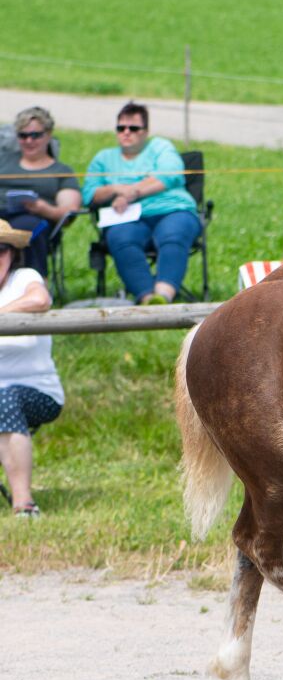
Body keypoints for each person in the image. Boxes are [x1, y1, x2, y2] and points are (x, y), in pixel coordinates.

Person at [81, 102, 201, 304]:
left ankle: (164, 295)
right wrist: (115, 189)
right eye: (121, 128)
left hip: (172, 209)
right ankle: (146, 299)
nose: (126, 132)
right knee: (121, 238)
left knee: (173, 234)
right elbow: (89, 194)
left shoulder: (160, 147)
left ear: (145, 132)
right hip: (126, 217)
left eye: (133, 128)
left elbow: (169, 176)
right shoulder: (103, 158)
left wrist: (132, 192)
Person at [0, 221, 64, 518]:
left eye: (1, 249)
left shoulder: (24, 277)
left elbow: (40, 299)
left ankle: (24, 503)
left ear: (13, 253)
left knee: (5, 398)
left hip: (37, 391)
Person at [0, 107, 82, 277]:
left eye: (35, 135)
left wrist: (45, 209)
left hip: (35, 221)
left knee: (28, 228)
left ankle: (34, 284)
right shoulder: (4, 161)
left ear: (49, 134)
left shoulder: (60, 171)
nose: (29, 140)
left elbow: (70, 211)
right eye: (23, 136)